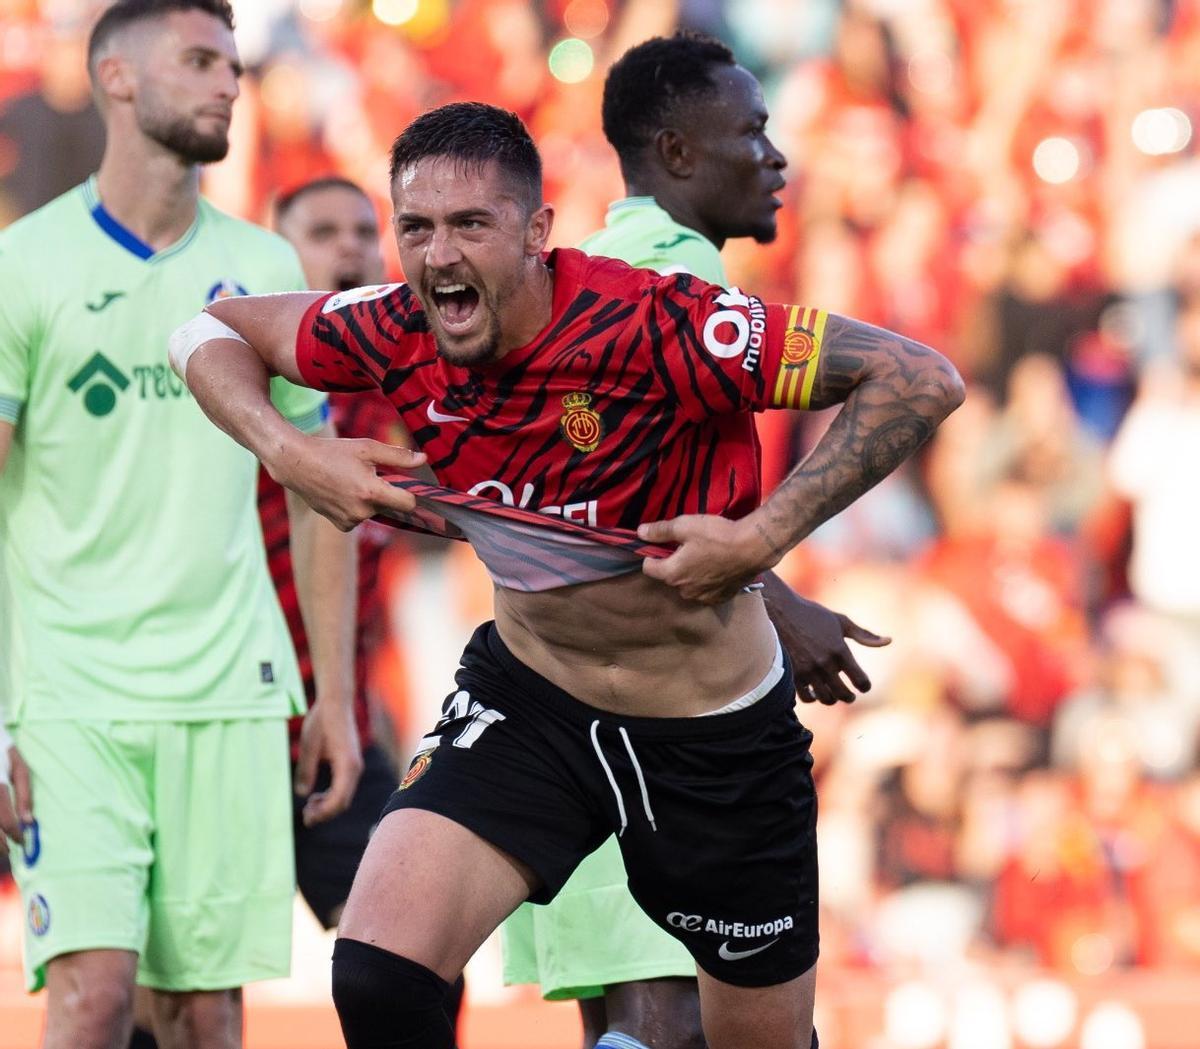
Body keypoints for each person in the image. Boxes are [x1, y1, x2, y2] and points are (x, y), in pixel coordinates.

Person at [172, 102, 965, 1049]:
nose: (437, 256)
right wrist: (290, 452)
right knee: (379, 974)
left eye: (471, 225)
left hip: (711, 738)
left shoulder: (657, 324)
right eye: (416, 228)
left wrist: (762, 540)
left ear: (538, 233)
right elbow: (204, 333)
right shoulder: (392, 327)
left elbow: (919, 377)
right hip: (533, 705)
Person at [500, 32, 889, 1049]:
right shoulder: (669, 294)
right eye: (752, 132)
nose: (777, 157)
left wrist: (768, 586)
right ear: (676, 153)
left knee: (647, 1022)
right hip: (656, 725)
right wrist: (775, 590)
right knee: (671, 1021)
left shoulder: (583, 273)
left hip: (570, 715)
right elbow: (603, 519)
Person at [0, 4, 361, 1048]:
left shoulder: (266, 267)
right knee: (95, 997)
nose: (228, 84)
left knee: (206, 1014)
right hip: (69, 695)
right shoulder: (24, 265)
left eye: (234, 65)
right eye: (199, 61)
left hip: (229, 690)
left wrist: (331, 694)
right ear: (115, 78)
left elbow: (319, 488)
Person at [268, 175, 465, 1033]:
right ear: (271, 253)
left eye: (363, 229)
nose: (349, 247)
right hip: (221, 709)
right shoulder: (234, 382)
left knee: (415, 956)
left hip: (335, 722)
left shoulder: (405, 388)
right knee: (175, 992)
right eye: (321, 229)